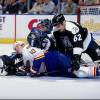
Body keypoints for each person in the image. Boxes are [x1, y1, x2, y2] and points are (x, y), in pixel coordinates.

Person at [12, 41, 100, 78]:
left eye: (16, 47)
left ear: (20, 45)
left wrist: (34, 70)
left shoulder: (26, 49)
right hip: (52, 64)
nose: (16, 50)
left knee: (74, 70)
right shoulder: (25, 52)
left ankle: (97, 70)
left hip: (53, 59)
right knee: (72, 73)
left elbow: (39, 55)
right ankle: (96, 70)